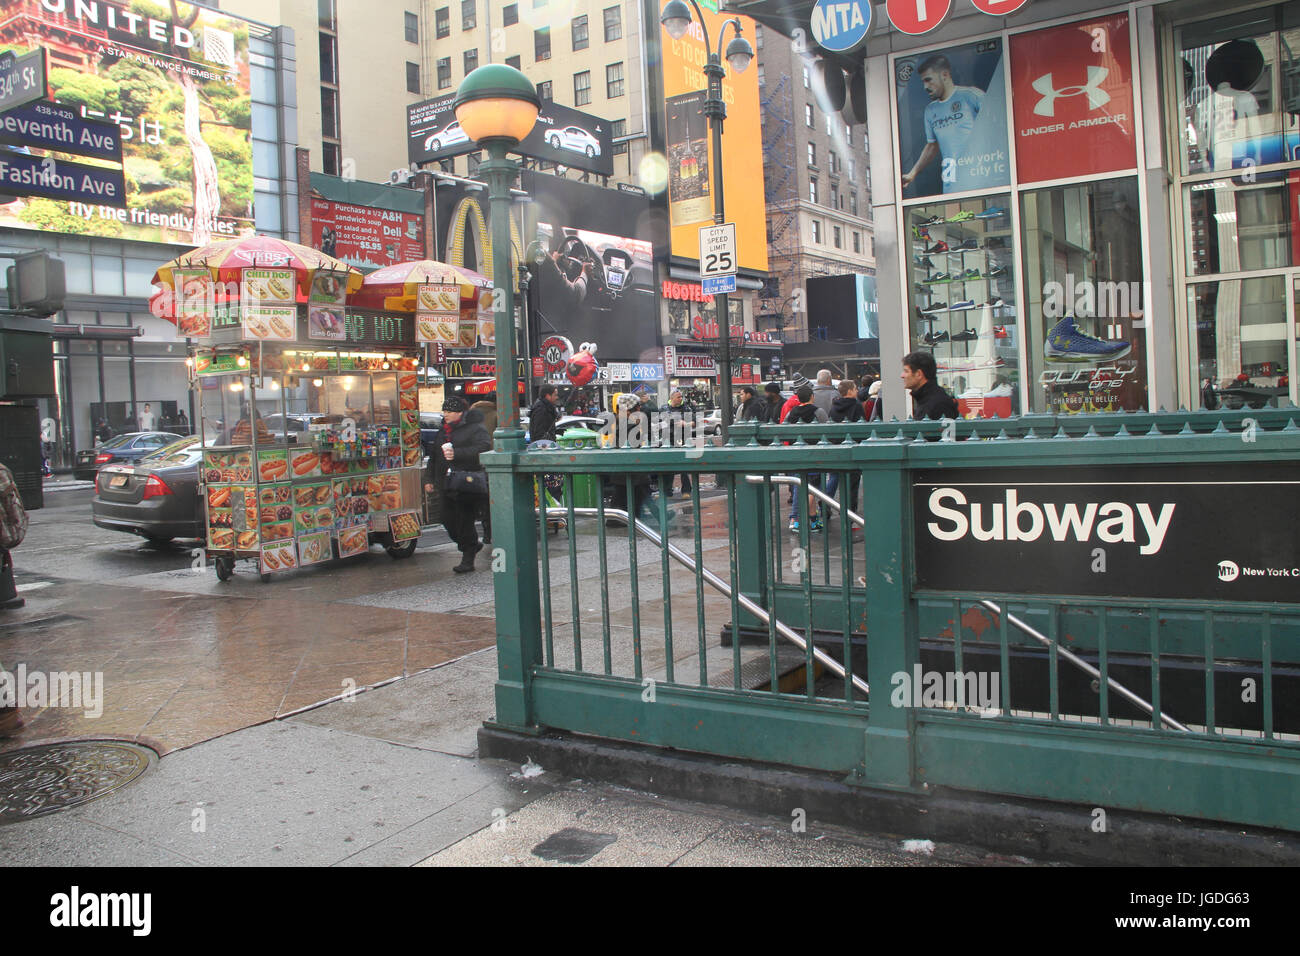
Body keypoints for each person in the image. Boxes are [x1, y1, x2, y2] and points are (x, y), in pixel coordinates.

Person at [424, 397, 491, 573]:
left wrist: (458, 453)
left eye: (449, 411)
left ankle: (468, 557)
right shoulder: (442, 431)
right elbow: (434, 457)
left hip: (466, 482)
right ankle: (470, 545)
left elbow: (484, 447)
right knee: (447, 519)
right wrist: (429, 479)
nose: (445, 414)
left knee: (464, 520)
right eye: (444, 411)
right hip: (445, 482)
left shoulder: (475, 428)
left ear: (460, 413)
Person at [901, 54, 984, 195]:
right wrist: (912, 173)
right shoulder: (930, 110)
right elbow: (932, 145)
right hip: (951, 181)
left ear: (944, 75)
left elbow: (996, 125)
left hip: (978, 172)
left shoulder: (971, 96)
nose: (925, 87)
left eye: (928, 80)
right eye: (923, 82)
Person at [782, 386, 827, 532]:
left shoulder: (791, 413)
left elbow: (784, 430)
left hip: (797, 454)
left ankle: (814, 521)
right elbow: (827, 430)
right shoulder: (818, 412)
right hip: (815, 454)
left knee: (799, 486)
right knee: (812, 489)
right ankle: (796, 519)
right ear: (812, 396)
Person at [902, 350, 960, 420]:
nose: (902, 375)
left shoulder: (937, 404)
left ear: (918, 374)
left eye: (906, 371)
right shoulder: (926, 399)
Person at [662, 390, 695, 497]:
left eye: (681, 397)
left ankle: (686, 490)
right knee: (668, 465)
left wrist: (685, 423)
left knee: (683, 466)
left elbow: (695, 422)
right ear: (672, 398)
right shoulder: (663, 408)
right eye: (678, 397)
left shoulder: (686, 408)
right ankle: (667, 490)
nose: (681, 399)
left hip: (682, 439)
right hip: (667, 439)